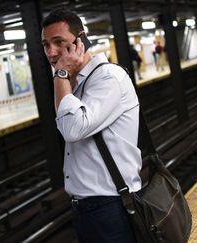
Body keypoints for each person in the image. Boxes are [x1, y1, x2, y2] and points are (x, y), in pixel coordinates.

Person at [41, 8, 140, 243]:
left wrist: (61, 74)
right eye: (46, 44)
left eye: (59, 42)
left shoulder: (107, 78)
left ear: (81, 40)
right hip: (87, 207)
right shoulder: (76, 83)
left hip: (110, 204)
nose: (52, 52)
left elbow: (72, 129)